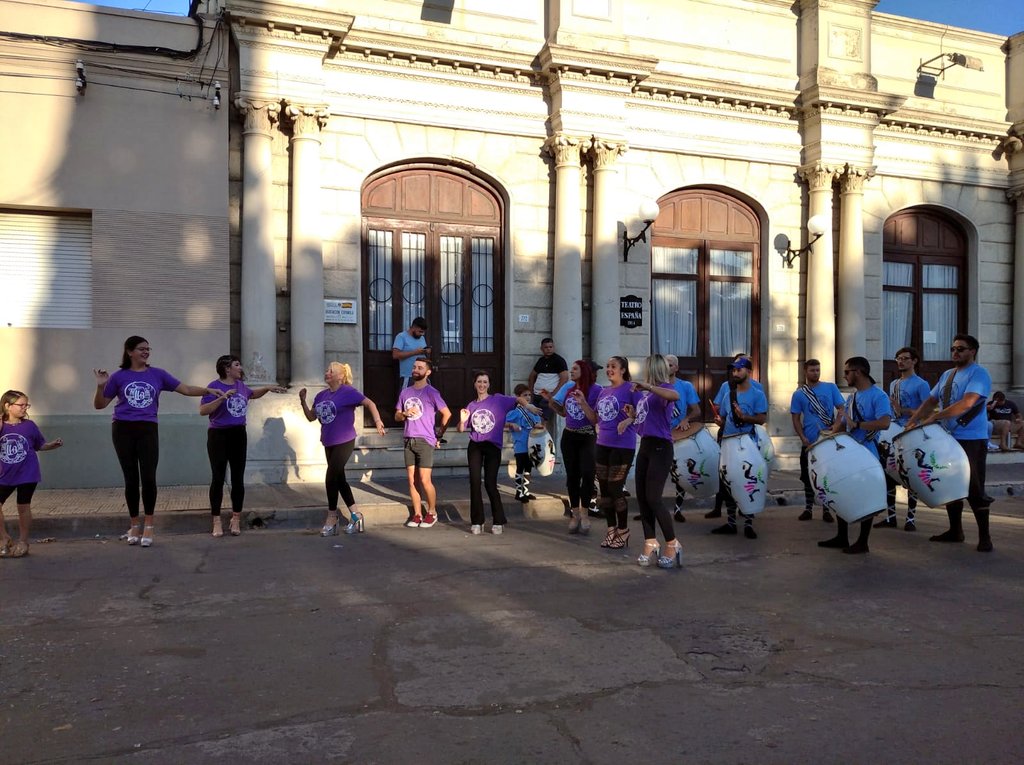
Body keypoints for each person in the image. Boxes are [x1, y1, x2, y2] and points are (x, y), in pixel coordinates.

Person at [93, 336, 226, 548]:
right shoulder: (119, 376)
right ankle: (134, 524)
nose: (146, 352)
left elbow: (186, 389)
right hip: (122, 429)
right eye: (141, 349)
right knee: (130, 478)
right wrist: (101, 387)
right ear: (129, 352)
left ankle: (149, 525)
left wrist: (208, 390)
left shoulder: (158, 374)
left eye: (148, 349)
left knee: (148, 477)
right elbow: (100, 405)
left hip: (147, 428)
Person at [905, 334, 994, 552]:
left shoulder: (979, 373)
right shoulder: (948, 374)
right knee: (950, 483)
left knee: (974, 487)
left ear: (972, 351)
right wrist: (913, 420)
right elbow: (931, 400)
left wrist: (935, 417)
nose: (955, 353)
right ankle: (956, 531)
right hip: (948, 437)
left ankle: (985, 538)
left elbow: (968, 402)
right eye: (953, 349)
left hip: (971, 439)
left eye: (961, 349)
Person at [199, 355, 286, 538]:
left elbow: (253, 394)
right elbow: (203, 411)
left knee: (238, 478)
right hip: (218, 435)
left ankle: (235, 518)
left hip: (238, 434)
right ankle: (216, 520)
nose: (241, 367)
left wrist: (268, 388)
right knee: (218, 477)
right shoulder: (213, 386)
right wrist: (221, 399)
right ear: (226, 369)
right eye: (237, 365)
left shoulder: (241, 387)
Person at [300, 362, 386, 537]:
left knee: (331, 476)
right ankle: (356, 515)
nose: (327, 373)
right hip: (328, 441)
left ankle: (332, 518)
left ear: (340, 376)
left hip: (345, 440)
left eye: (331, 371)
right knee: (340, 480)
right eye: (327, 370)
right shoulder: (321, 395)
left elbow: (370, 403)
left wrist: (377, 421)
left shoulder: (348, 392)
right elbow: (311, 417)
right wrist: (302, 401)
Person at [818, 357, 892, 555]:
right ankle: (842, 536)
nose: (845, 376)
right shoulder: (852, 398)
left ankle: (862, 541)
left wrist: (858, 425)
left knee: (865, 496)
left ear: (858, 372)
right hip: (849, 453)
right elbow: (843, 425)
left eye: (847, 372)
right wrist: (829, 434)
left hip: (868, 453)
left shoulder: (879, 396)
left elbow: (885, 422)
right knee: (842, 491)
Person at [576, 356, 642, 550]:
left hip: (623, 446)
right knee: (604, 491)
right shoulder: (604, 392)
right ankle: (611, 529)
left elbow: (641, 413)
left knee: (615, 488)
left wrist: (629, 419)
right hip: (602, 444)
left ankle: (623, 529)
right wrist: (582, 403)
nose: (609, 369)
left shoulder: (631, 389)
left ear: (623, 370)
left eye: (613, 366)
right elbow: (595, 419)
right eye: (607, 366)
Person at [629, 355, 683, 568]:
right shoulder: (647, 394)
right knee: (642, 498)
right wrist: (631, 416)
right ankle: (650, 541)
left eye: (647, 367)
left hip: (661, 447)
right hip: (646, 446)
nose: (644, 370)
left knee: (654, 498)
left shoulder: (663, 389)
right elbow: (646, 419)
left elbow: (675, 395)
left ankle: (672, 543)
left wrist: (648, 387)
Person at [0, 391, 63, 559]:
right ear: (7, 406)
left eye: (26, 405)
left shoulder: (29, 425)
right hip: (5, 473)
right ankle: (4, 538)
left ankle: (23, 541)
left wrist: (51, 445)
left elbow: (39, 445)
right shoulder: (1, 425)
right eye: (21, 405)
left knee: (23, 506)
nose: (24, 408)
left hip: (27, 472)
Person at [710, 357, 768, 539]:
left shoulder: (758, 394)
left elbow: (761, 419)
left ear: (749, 372)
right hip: (728, 442)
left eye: (739, 370)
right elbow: (725, 419)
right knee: (728, 482)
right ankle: (731, 522)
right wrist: (720, 422)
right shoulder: (729, 395)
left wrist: (744, 417)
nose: (735, 373)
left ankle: (749, 523)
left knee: (748, 481)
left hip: (747, 442)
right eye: (733, 370)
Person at [541, 359, 600, 534]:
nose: (571, 371)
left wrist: (583, 402)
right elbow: (563, 412)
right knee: (572, 476)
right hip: (570, 436)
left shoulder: (597, 390)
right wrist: (550, 400)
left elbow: (595, 419)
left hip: (588, 436)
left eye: (575, 369)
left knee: (588, 474)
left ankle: (585, 513)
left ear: (584, 370)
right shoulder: (568, 387)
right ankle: (575, 513)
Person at [456, 372, 518, 535]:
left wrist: (530, 406)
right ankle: (477, 521)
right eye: (479, 382)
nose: (482, 385)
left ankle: (498, 520)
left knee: (490, 483)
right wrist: (462, 420)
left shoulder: (498, 399)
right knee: (474, 482)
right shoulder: (471, 405)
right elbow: (461, 429)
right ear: (474, 384)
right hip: (475, 445)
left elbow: (518, 400)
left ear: (489, 384)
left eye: (485, 382)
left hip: (492, 446)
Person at [876, 347, 931, 530]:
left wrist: (905, 411)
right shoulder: (894, 384)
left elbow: (927, 412)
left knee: (910, 475)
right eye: (898, 358)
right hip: (894, 433)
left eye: (905, 358)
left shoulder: (921, 384)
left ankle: (910, 519)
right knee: (889, 474)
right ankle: (891, 517)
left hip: (911, 432)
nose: (901, 362)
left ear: (914, 361)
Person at [396, 357, 451, 529]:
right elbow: (397, 416)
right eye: (414, 367)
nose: (415, 370)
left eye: (420, 367)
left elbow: (447, 414)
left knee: (425, 480)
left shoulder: (431, 392)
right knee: (412, 481)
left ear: (427, 372)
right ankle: (418, 514)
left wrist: (439, 435)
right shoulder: (405, 392)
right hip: (408, 439)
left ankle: (432, 512)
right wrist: (404, 413)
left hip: (425, 440)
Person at [789, 358, 844, 522]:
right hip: (810, 441)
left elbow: (842, 408)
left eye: (818, 370)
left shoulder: (830, 387)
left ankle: (827, 509)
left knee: (827, 475)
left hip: (827, 439)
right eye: (812, 370)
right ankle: (808, 508)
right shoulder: (799, 394)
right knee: (807, 476)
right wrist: (802, 437)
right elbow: (796, 418)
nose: (816, 373)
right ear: (805, 371)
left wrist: (836, 426)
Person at [664, 354, 701, 524]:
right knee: (657, 474)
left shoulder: (685, 386)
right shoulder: (657, 386)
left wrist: (686, 419)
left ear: (676, 368)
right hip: (660, 435)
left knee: (680, 473)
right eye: (665, 364)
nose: (667, 367)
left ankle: (678, 509)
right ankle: (649, 509)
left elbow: (696, 410)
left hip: (679, 435)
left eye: (670, 365)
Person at [504, 384, 543, 505]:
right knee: (520, 467)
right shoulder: (515, 412)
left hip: (532, 444)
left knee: (528, 468)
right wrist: (511, 425)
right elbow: (504, 422)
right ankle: (518, 492)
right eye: (524, 395)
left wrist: (539, 427)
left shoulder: (534, 411)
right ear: (518, 397)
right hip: (521, 444)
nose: (528, 397)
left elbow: (539, 424)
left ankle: (525, 491)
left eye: (529, 395)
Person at [528, 338, 569, 423]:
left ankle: (542, 435)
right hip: (536, 395)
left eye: (551, 347)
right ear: (541, 349)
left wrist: (554, 394)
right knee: (531, 417)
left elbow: (564, 378)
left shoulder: (559, 360)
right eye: (546, 347)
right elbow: (532, 376)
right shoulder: (541, 360)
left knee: (542, 419)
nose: (549, 349)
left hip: (548, 395)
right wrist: (531, 392)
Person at [392, 317, 429, 389]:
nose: (422, 334)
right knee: (407, 399)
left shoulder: (422, 338)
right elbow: (395, 355)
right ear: (414, 327)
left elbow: (423, 353)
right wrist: (415, 352)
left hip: (422, 376)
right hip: (408, 376)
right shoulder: (401, 337)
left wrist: (426, 351)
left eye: (423, 332)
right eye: (420, 331)